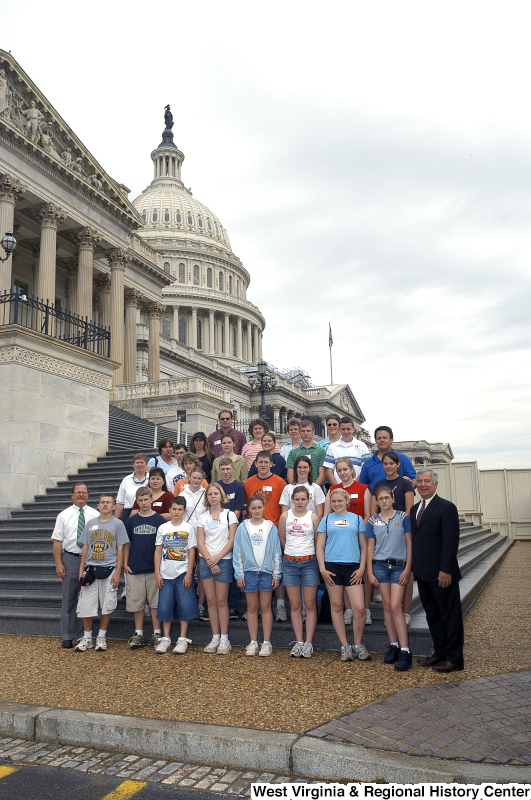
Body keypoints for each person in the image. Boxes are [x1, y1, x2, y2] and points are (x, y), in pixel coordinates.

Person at [412, 469, 464, 673]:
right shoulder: (414, 509)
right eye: (420, 481)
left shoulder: (446, 507)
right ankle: (439, 653)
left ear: (435, 484)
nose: (423, 484)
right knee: (432, 615)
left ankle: (454, 658)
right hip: (423, 574)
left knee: (449, 616)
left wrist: (446, 570)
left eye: (427, 481)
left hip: (442, 574)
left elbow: (451, 542)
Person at [316, 488, 370, 661]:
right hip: (332, 567)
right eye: (333, 501)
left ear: (347, 501)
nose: (337, 504)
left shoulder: (357, 519)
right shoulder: (325, 520)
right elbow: (320, 546)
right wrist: (322, 569)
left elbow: (364, 546)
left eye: (340, 501)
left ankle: (358, 643)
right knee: (337, 606)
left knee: (359, 608)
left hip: (353, 567)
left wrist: (362, 568)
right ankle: (345, 645)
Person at [365, 485, 413, 671]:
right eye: (380, 499)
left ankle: (405, 649)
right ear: (376, 502)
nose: (384, 501)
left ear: (393, 499)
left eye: (387, 498)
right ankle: (393, 645)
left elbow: (409, 543)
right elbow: (370, 547)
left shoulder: (403, 517)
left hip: (399, 566)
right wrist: (369, 571)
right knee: (386, 606)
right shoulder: (372, 521)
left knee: (395, 606)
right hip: (380, 565)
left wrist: (408, 568)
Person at [74, 494, 129, 652]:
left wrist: (118, 572)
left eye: (108, 502)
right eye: (102, 502)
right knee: (86, 605)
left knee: (107, 604)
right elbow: (85, 547)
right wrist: (81, 570)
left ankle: (101, 636)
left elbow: (121, 549)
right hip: (91, 568)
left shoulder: (118, 524)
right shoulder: (90, 524)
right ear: (98, 505)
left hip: (110, 568)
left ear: (113, 507)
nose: (105, 505)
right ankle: (87, 637)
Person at [323, 457, 371, 625]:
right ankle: (349, 610)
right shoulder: (332, 490)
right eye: (339, 470)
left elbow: (367, 514)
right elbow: (327, 517)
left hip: (358, 534)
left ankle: (365, 608)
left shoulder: (363, 488)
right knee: (342, 573)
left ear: (352, 470)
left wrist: (359, 533)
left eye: (345, 469)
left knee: (361, 573)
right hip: (339, 538)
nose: (342, 473)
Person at [233, 494, 282, 656]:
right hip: (249, 572)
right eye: (253, 508)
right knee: (252, 608)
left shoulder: (270, 527)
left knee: (266, 607)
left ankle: (266, 642)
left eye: (259, 507)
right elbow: (237, 551)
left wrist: (277, 573)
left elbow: (276, 551)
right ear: (249, 509)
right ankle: (253, 641)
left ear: (264, 508)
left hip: (267, 572)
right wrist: (239, 574)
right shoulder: (243, 527)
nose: (256, 510)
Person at [51, 483, 99, 648]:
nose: (81, 495)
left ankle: (83, 635)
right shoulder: (63, 515)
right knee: (69, 598)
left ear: (88, 495)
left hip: (91, 559)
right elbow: (57, 541)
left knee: (87, 597)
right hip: (71, 558)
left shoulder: (95, 514)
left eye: (84, 492)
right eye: (78, 492)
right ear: (72, 495)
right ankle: (67, 635)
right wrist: (59, 564)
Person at [244, 450, 288, 621]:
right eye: (260, 462)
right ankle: (254, 607)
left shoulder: (280, 482)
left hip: (274, 531)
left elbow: (284, 509)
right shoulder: (248, 482)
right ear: (255, 464)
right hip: (254, 532)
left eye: (266, 462)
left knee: (277, 568)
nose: (263, 465)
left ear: (271, 464)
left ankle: (280, 605)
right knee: (255, 568)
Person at [278, 486, 320, 658]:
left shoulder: (314, 517)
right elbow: (282, 538)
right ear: (292, 500)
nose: (300, 502)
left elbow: (318, 540)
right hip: (290, 563)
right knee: (294, 605)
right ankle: (299, 641)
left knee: (309, 605)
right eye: (297, 499)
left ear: (308, 500)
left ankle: (309, 642)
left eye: (303, 499)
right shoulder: (285, 516)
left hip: (309, 562)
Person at [154, 496, 199, 654]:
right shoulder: (163, 528)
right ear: (169, 510)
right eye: (174, 509)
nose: (177, 512)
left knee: (185, 605)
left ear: (184, 511)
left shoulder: (188, 528)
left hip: (182, 572)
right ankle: (166, 638)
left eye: (180, 509)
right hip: (165, 573)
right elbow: (158, 550)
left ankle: (182, 638)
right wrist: (157, 572)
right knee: (165, 605)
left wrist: (189, 573)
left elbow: (191, 551)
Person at [197, 483, 238, 654]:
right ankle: (214, 637)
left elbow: (232, 540)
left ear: (222, 496)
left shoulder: (230, 515)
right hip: (206, 561)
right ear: (207, 498)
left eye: (216, 493)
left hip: (224, 560)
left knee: (222, 601)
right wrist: (209, 560)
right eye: (210, 494)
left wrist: (217, 558)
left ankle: (224, 638)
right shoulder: (202, 517)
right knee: (211, 601)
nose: (213, 496)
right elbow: (200, 541)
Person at [124, 486, 166, 649]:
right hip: (135, 566)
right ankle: (139, 633)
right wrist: (125, 563)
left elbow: (162, 546)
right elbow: (127, 543)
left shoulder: (159, 520)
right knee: (137, 602)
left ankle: (156, 632)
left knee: (155, 603)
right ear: (137, 501)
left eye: (146, 499)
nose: (143, 502)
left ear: (151, 500)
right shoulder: (132, 520)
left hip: (153, 568)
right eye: (140, 500)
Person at [215, 457, 248, 619]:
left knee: (235, 569)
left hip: (233, 532)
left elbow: (237, 512)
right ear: (219, 470)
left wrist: (225, 523)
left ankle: (233, 607)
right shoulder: (217, 486)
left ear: (233, 469)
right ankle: (217, 605)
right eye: (223, 469)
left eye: (228, 469)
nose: (226, 472)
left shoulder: (239, 487)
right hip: (217, 534)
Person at [358, 426, 416, 491]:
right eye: (379, 438)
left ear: (391, 439)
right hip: (375, 500)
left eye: (384, 438)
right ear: (375, 440)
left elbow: (415, 481)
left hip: (399, 499)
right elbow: (362, 487)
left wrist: (408, 484)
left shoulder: (403, 459)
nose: (382, 440)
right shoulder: (368, 463)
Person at [324, 417, 371, 484]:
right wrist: (338, 488)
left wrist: (354, 486)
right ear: (339, 430)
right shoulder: (332, 447)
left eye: (348, 429)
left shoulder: (362, 446)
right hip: (338, 490)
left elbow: (366, 469)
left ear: (353, 429)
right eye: (343, 429)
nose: (346, 432)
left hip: (357, 487)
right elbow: (329, 471)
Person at [286, 420, 326, 485]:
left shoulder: (321, 451)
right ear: (299, 432)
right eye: (303, 431)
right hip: (297, 490)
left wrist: (313, 489)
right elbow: (290, 476)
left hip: (316, 489)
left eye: (308, 431)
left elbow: (322, 475)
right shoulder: (293, 452)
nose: (306, 433)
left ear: (313, 431)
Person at [114, 453, 150, 521]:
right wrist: (116, 520)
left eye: (142, 462)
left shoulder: (152, 479)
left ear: (146, 464)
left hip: (146, 512)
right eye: (137, 463)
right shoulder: (126, 480)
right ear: (133, 465)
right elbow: (120, 502)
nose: (139, 465)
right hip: (128, 513)